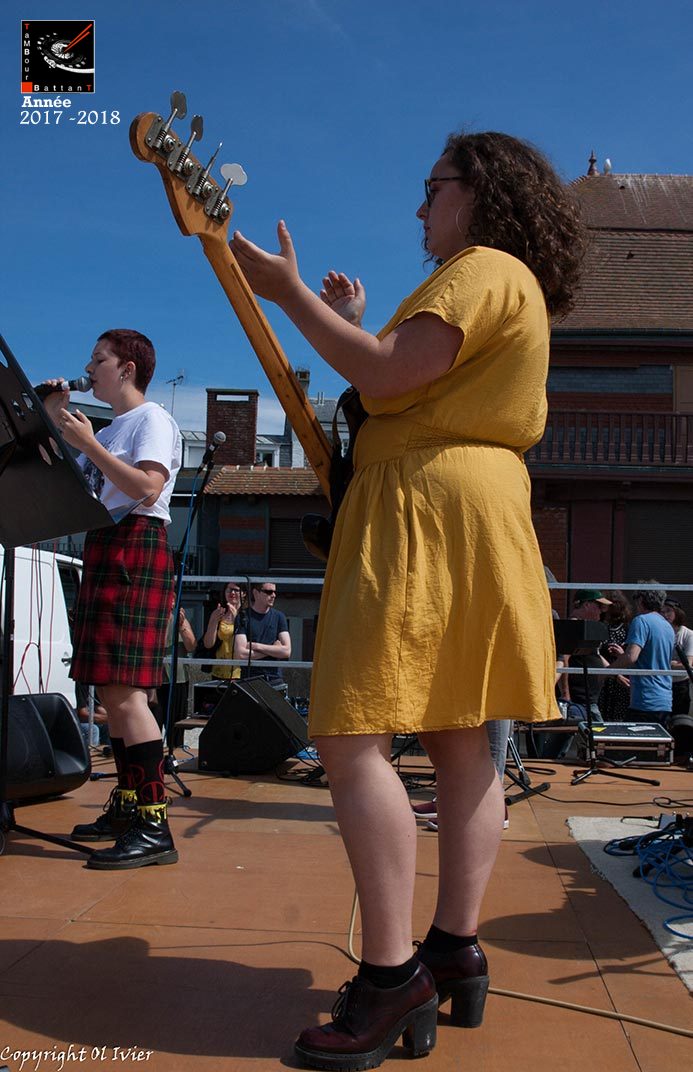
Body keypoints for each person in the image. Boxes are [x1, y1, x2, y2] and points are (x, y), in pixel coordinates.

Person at [231, 129, 584, 1069]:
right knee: (461, 737)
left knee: (351, 734)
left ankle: (391, 979)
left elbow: (384, 373)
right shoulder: (508, 281)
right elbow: (398, 371)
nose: (419, 207)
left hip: (424, 508)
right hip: (475, 507)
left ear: (481, 192)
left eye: (433, 187)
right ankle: (454, 950)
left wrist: (292, 296)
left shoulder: (480, 268)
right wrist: (350, 321)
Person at [42, 328, 182, 870]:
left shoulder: (152, 419)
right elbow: (76, 487)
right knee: (111, 691)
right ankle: (127, 806)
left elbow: (148, 487)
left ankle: (154, 824)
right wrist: (53, 419)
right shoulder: (111, 427)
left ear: (127, 368)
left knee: (127, 694)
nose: (88, 368)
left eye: (98, 359)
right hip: (107, 542)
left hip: (136, 544)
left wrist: (90, 446)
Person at [609, 583, 675, 724]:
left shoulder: (641, 621)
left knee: (627, 737)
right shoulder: (667, 625)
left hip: (645, 700)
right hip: (664, 700)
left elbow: (631, 657)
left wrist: (606, 671)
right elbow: (652, 658)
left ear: (640, 600)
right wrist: (622, 656)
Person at [233, 582, 291, 687]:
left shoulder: (279, 617)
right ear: (256, 593)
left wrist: (256, 646)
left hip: (274, 679)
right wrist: (273, 650)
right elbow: (240, 654)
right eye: (269, 592)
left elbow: (286, 651)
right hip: (250, 680)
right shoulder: (243, 616)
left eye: (274, 592)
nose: (273, 595)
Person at [597, 591, 633, 722]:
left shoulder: (627, 628)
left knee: (619, 714)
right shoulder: (600, 626)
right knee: (602, 712)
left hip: (622, 675)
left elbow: (632, 654)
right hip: (604, 674)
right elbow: (595, 651)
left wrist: (621, 652)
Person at [199, 581, 243, 680]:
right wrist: (214, 621)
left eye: (236, 590)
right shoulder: (218, 612)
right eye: (229, 590)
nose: (232, 593)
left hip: (240, 672)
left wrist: (236, 619)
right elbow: (208, 644)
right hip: (218, 671)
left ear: (243, 593)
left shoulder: (247, 615)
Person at [661, 598, 693, 716]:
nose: (665, 615)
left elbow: (687, 664)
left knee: (679, 719)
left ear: (677, 612)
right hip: (662, 683)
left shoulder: (688, 634)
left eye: (668, 611)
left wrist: (669, 664)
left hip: (680, 685)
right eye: (662, 612)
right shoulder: (659, 632)